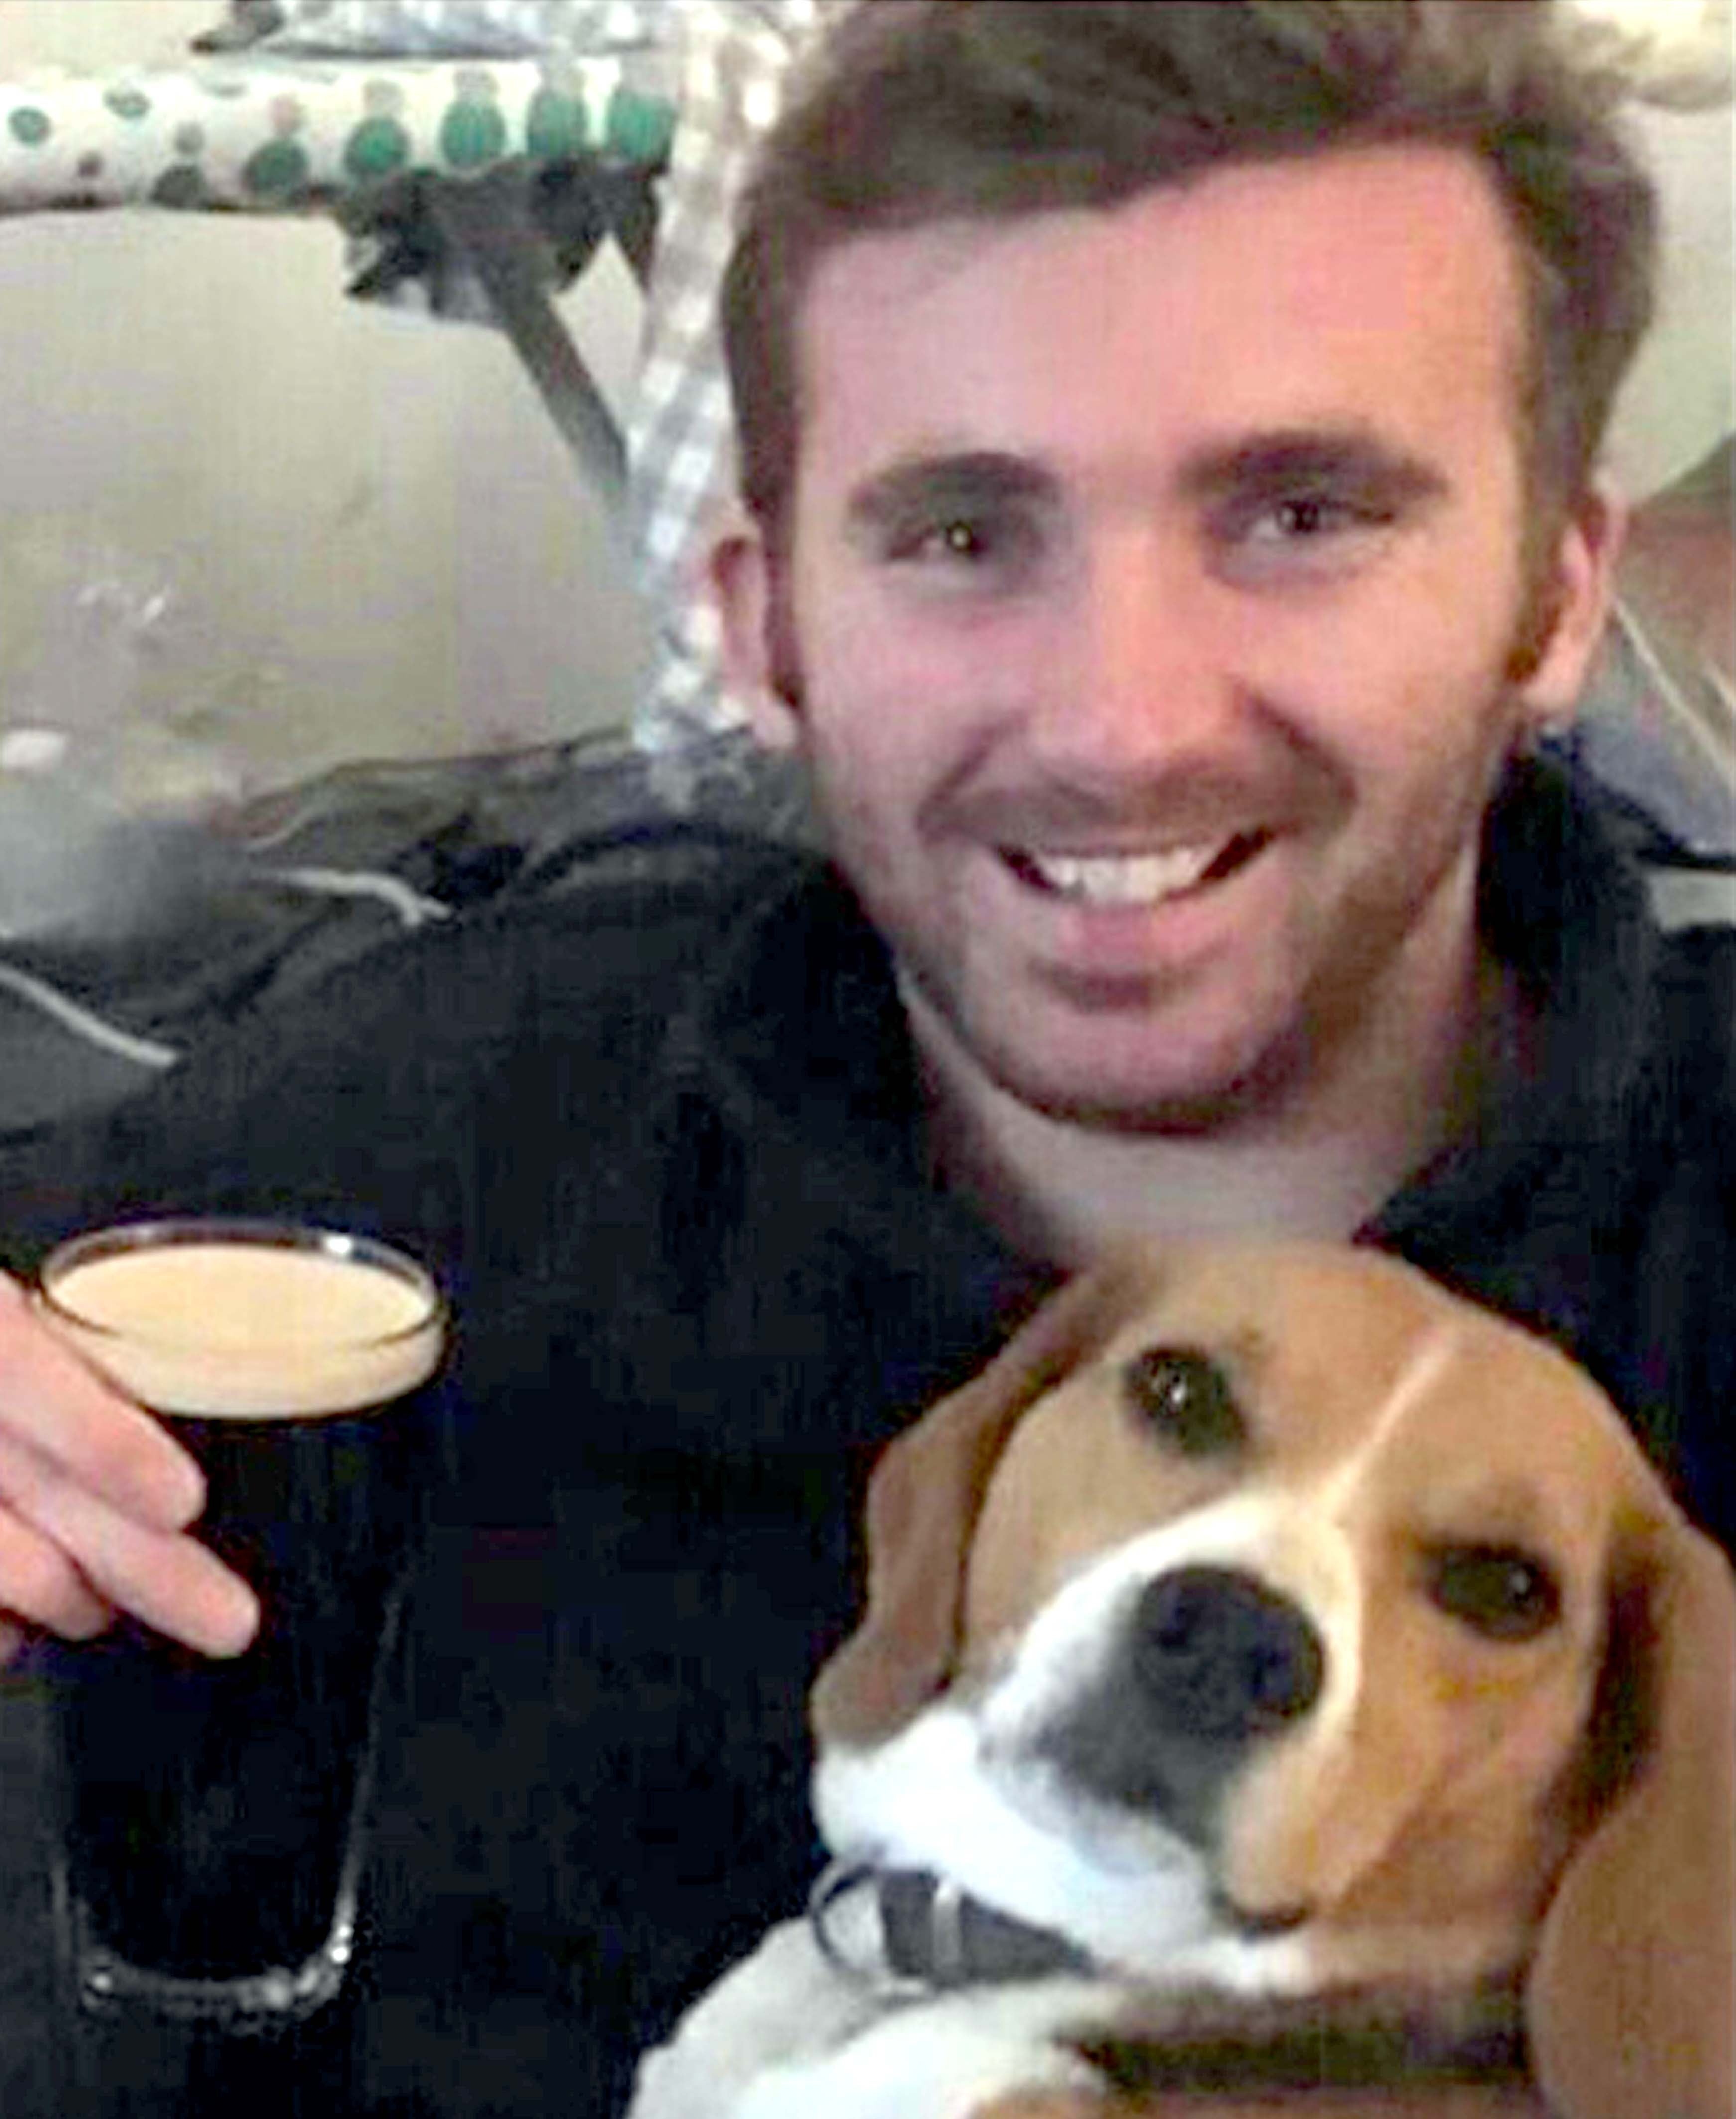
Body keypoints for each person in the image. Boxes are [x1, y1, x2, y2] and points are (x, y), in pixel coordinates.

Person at [0, 2, 1729, 2113]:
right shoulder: (422, 1121)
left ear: (1556, 596)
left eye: (1299, 514)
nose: (1118, 722)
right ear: (759, 620)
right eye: (962, 534)